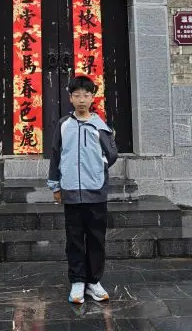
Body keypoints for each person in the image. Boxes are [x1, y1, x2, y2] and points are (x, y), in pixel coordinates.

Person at [47, 75, 119, 305]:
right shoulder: (63, 125)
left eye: (86, 95)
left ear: (92, 97)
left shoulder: (100, 126)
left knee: (96, 239)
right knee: (74, 239)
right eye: (77, 95)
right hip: (70, 192)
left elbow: (112, 154)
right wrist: (55, 185)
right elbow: (55, 155)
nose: (81, 100)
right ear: (70, 98)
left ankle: (94, 282)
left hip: (95, 191)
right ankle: (77, 281)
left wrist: (99, 166)